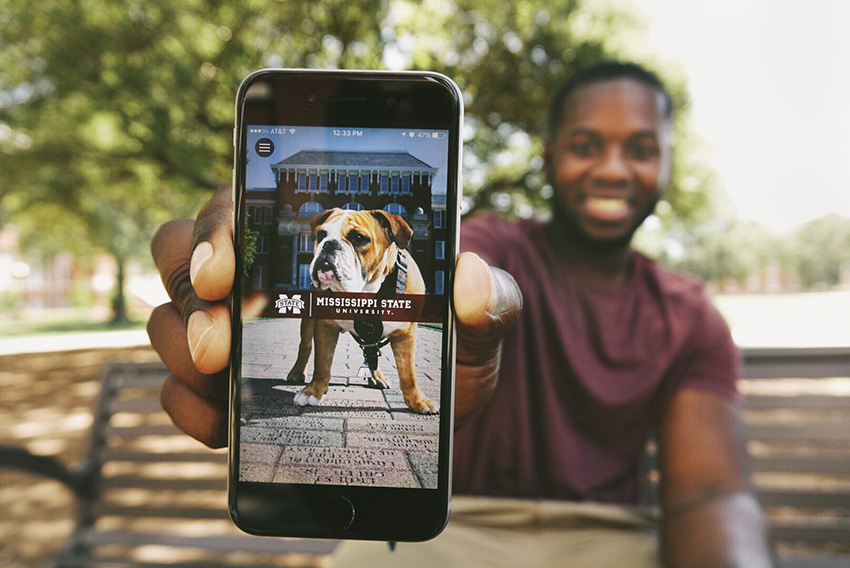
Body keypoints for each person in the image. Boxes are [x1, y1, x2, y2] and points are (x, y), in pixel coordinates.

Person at [147, 61, 773, 567]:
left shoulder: (690, 315)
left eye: (639, 147)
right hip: (445, 529)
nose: (613, 167)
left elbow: (712, 492)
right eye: (587, 145)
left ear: (666, 161)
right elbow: (466, 271)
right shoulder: (492, 246)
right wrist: (229, 255)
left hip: (612, 540)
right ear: (549, 159)